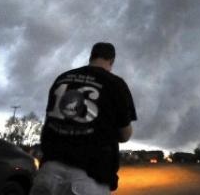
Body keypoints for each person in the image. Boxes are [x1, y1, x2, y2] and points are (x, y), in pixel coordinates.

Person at [32, 42, 137, 194]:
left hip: (47, 172)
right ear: (112, 60)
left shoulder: (62, 78)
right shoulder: (115, 84)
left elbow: (51, 119)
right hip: (88, 177)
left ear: (91, 56)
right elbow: (125, 135)